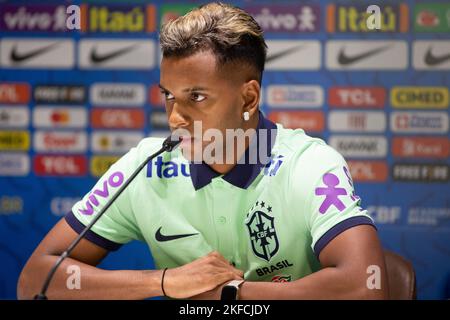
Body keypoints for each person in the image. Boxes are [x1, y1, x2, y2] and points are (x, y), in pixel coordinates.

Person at [18, 2, 389, 300]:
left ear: (249, 97)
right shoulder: (146, 166)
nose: (176, 117)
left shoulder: (309, 164)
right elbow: (36, 279)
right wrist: (163, 283)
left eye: (197, 97)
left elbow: (366, 286)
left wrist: (231, 295)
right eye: (168, 96)